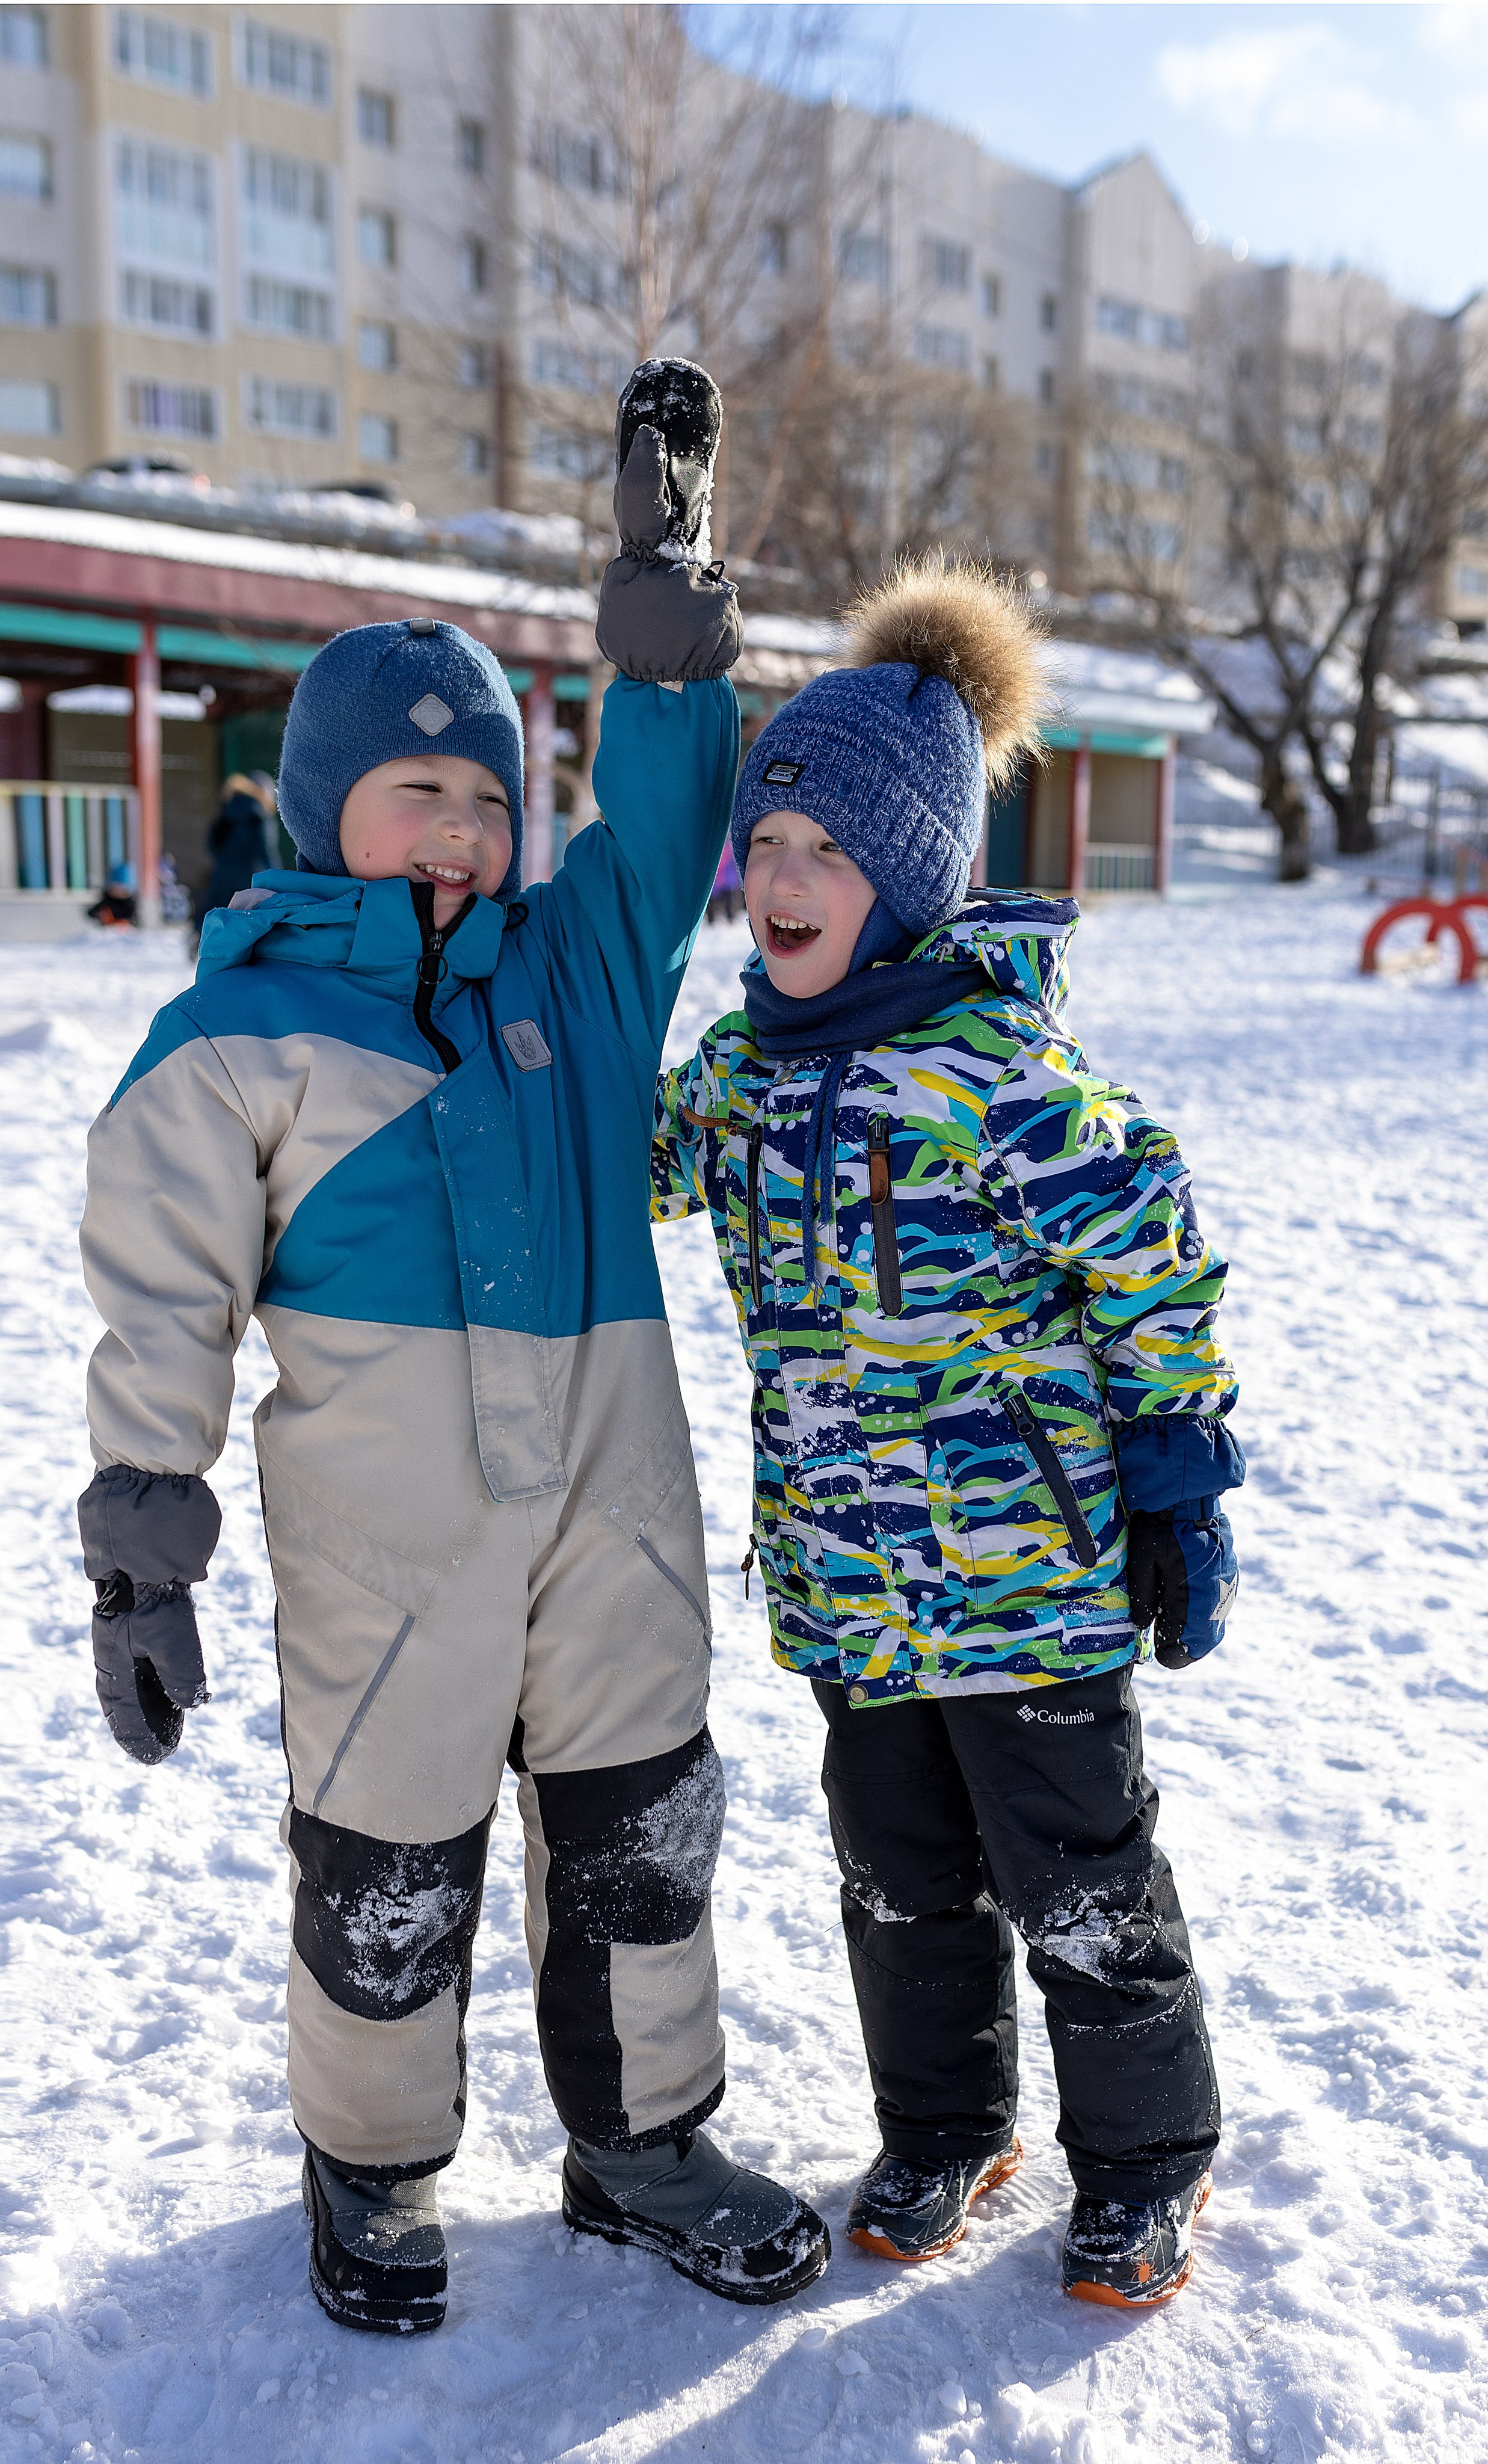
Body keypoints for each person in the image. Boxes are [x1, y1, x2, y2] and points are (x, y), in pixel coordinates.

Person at [76, 362, 829, 2338]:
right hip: (383, 1549)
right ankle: (373, 2165)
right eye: (424, 791)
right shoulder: (236, 1038)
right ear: (329, 806)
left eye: (493, 795)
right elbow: (159, 1288)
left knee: (645, 1838)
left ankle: (643, 2138)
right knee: (384, 1873)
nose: (467, 827)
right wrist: (142, 1533)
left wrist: (667, 632)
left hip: (610, 1517)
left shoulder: (569, 970)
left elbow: (663, 838)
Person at [651, 558, 1243, 2309]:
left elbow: (1151, 1260)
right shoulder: (742, 1076)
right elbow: (631, 1168)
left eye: (822, 851)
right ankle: (942, 2126)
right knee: (896, 1885)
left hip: (1023, 1585)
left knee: (1075, 1882)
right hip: (848, 1592)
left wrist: (1176, 1484)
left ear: (908, 875)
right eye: (762, 846)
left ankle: (1143, 2160)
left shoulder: (998, 1078)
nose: (776, 880)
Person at [192, 773, 274, 933]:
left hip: (223, 873)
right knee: (247, 918)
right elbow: (266, 851)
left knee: (214, 910)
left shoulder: (227, 810)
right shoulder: (259, 815)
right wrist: (276, 876)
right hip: (250, 875)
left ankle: (200, 939)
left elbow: (212, 844)